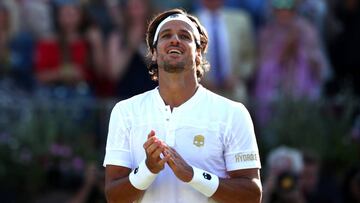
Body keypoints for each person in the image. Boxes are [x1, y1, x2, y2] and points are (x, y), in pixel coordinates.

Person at [103, 8, 262, 203]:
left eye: (185, 36)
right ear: (153, 53)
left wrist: (193, 176)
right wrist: (147, 170)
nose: (175, 40)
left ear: (199, 53)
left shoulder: (233, 113)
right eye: (166, 35)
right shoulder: (125, 112)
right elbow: (114, 197)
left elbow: (252, 195)